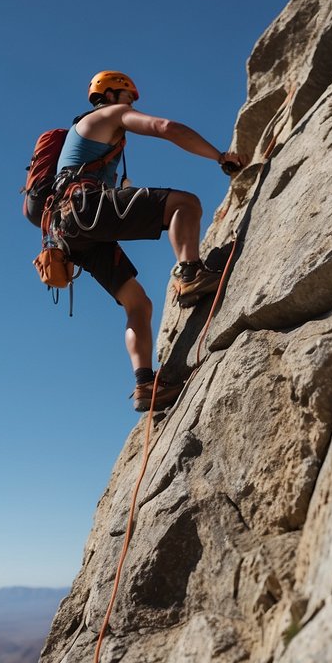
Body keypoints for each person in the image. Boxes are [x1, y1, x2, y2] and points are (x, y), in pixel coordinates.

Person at [53, 70, 245, 412]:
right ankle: (190, 273)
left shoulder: (85, 140)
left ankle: (145, 385)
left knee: (138, 304)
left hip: (68, 232)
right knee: (185, 204)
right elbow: (165, 127)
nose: (132, 105)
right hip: (86, 207)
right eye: (129, 97)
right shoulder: (109, 115)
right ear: (111, 95)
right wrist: (219, 156)